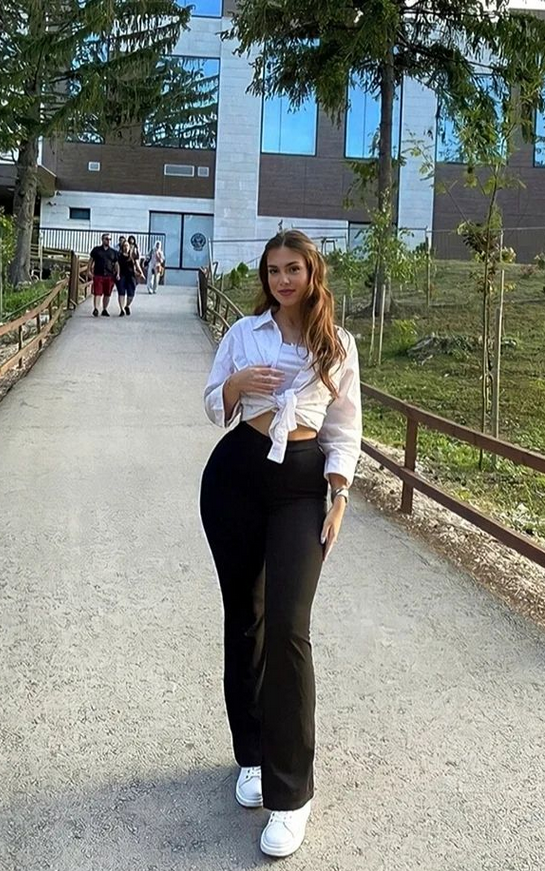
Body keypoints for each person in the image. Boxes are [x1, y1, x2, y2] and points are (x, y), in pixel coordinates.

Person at [199, 230, 361, 859]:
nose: (283, 280)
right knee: (245, 619)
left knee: (290, 627)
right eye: (273, 270)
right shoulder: (245, 333)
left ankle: (291, 795)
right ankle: (252, 754)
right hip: (237, 475)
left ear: (312, 273)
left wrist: (339, 495)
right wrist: (237, 382)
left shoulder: (337, 344)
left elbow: (344, 428)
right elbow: (214, 406)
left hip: (300, 486)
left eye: (293, 268)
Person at [88, 233, 119, 317]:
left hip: (109, 275)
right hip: (98, 274)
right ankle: (96, 309)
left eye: (109, 239)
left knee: (107, 293)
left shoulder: (113, 252)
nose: (108, 241)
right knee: (97, 293)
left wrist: (118, 273)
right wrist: (89, 271)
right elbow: (91, 261)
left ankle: (104, 309)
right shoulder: (96, 250)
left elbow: (116, 264)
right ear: (102, 240)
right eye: (106, 239)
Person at [117, 240, 144, 316]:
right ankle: (122, 309)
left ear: (129, 247)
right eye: (124, 246)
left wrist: (141, 273)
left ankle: (127, 306)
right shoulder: (119, 255)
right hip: (122, 275)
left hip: (131, 276)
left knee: (131, 294)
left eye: (127, 246)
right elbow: (117, 265)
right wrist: (118, 274)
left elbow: (137, 265)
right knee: (121, 292)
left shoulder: (133, 255)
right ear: (122, 247)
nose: (126, 247)